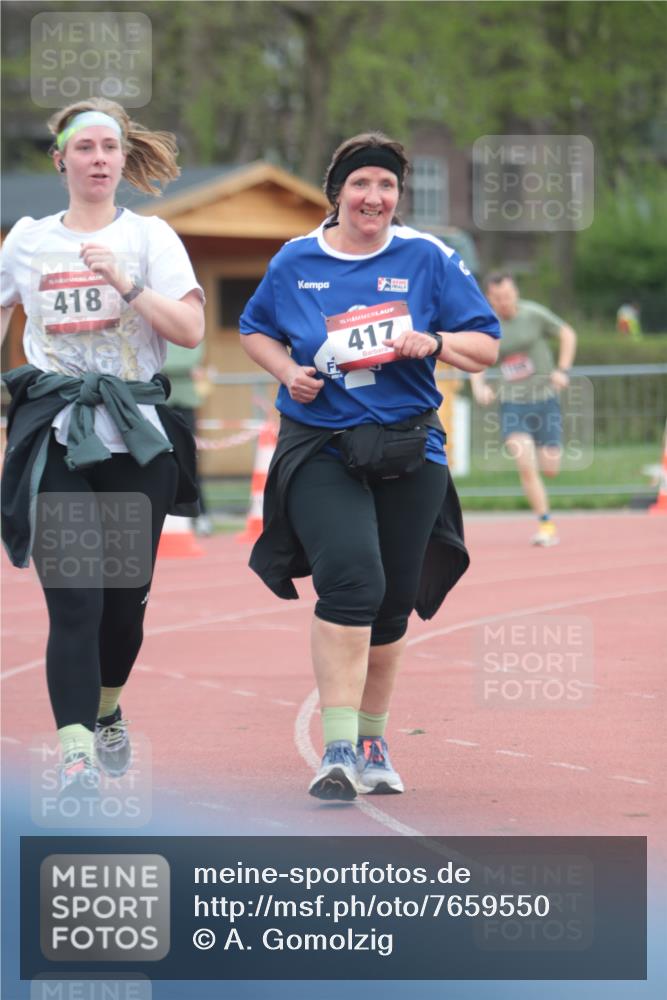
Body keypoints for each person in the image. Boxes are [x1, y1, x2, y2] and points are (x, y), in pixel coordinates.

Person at [239, 132, 500, 801]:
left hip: (409, 448)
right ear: (337, 193)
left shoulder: (428, 257)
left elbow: (484, 347)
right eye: (361, 185)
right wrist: (286, 370)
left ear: (397, 197)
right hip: (323, 443)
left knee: (390, 605)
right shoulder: (296, 260)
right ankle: (335, 747)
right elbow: (254, 327)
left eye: (386, 186)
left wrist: (433, 340)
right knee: (352, 579)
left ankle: (375, 739)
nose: (373, 197)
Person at [0, 98, 205, 798]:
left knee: (123, 608)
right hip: (56, 435)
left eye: (107, 148)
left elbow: (188, 331)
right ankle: (76, 757)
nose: (96, 159)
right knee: (76, 603)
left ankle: (108, 707)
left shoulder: (151, 238)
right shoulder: (26, 240)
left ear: (122, 158)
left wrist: (128, 285)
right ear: (60, 158)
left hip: (135, 443)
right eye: (82, 147)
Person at [470, 273, 577, 547]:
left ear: (515, 293)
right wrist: (479, 386)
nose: (503, 302)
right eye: (497, 298)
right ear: (489, 299)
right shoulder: (486, 324)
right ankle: (546, 525)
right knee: (525, 465)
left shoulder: (534, 314)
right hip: (513, 404)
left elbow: (567, 333)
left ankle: (546, 511)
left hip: (545, 399)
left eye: (507, 296)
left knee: (550, 467)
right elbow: (477, 359)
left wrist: (563, 370)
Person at [162, 340, 213, 536]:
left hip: (185, 406)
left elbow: (189, 359)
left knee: (189, 463)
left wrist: (164, 366)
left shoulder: (187, 334)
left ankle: (200, 515)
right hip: (159, 402)